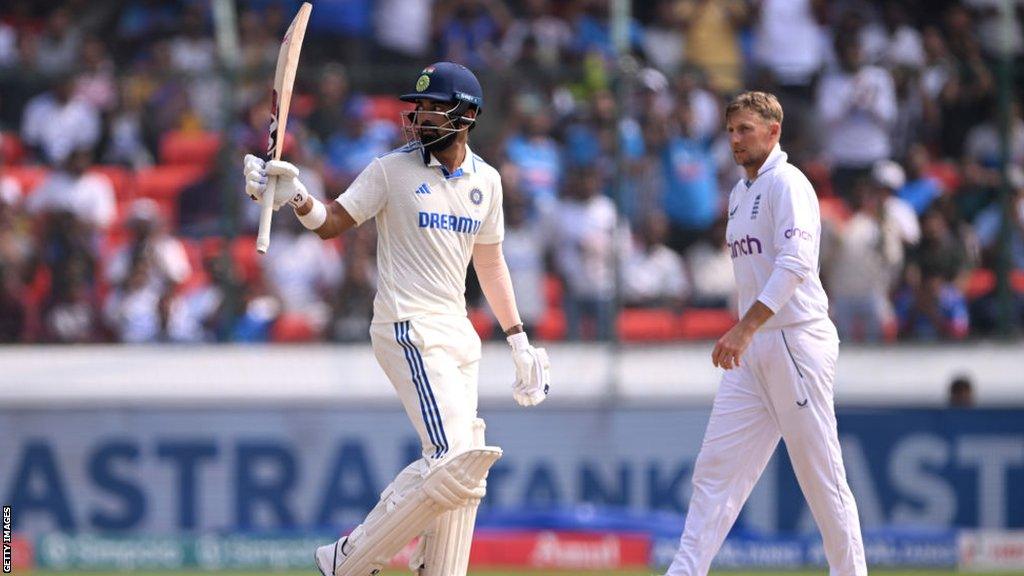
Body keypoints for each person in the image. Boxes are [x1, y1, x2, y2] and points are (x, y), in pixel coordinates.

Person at [242, 61, 551, 576]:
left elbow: (490, 262)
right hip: (407, 326)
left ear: (468, 114)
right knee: (451, 456)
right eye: (420, 106)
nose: (423, 116)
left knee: (466, 463)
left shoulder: (488, 183)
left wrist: (518, 339)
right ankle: (351, 556)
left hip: (459, 334)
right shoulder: (391, 169)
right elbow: (332, 223)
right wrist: (293, 195)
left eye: (435, 106)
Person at [663, 92, 867, 576]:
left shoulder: (789, 184)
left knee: (821, 478)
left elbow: (795, 264)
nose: (734, 139)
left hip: (795, 339)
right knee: (715, 472)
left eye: (745, 130)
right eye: (730, 130)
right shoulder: (739, 192)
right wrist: (749, 333)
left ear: (773, 132)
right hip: (756, 347)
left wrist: (743, 328)